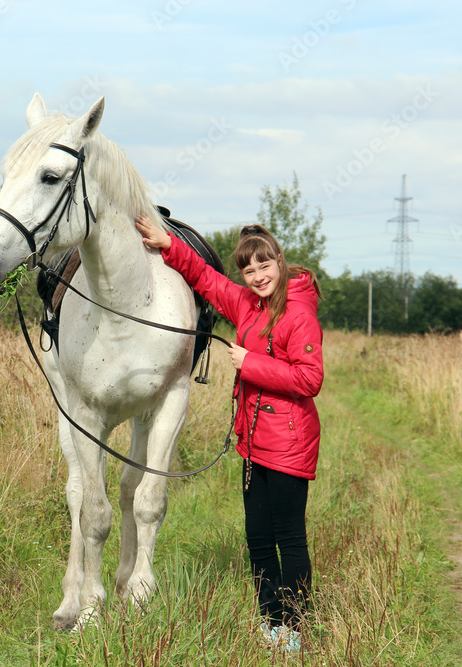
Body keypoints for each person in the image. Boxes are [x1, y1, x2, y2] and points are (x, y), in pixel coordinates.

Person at [134, 215, 324, 654]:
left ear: (279, 261)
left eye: (264, 266)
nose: (257, 277)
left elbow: (310, 379)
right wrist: (168, 244)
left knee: (289, 537)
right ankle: (270, 623)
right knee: (257, 538)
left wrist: (249, 364)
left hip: (290, 442)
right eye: (249, 270)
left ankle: (295, 629)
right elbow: (205, 278)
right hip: (254, 442)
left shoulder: (299, 314)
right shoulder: (246, 304)